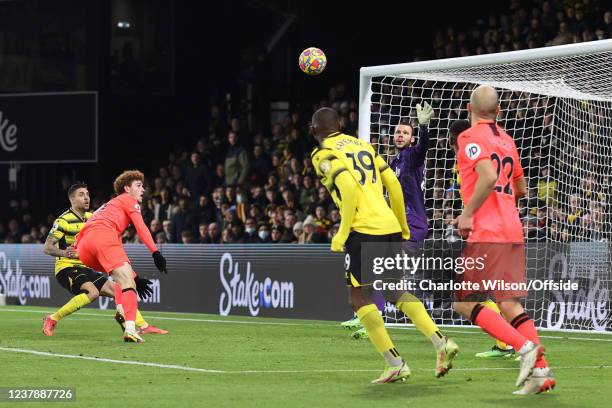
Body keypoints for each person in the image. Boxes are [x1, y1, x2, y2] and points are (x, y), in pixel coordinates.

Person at [310, 107, 458, 383]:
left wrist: (342, 233)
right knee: (393, 290)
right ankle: (442, 342)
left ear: (313, 130)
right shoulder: (363, 145)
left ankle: (395, 363)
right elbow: (393, 182)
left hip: (363, 231)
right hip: (389, 226)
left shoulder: (323, 154)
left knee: (359, 298)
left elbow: (350, 189)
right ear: (340, 124)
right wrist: (401, 224)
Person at [450, 85, 555, 394]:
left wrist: (468, 213)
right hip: (512, 228)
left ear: (469, 111)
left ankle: (525, 348)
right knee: (508, 303)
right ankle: (541, 373)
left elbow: (487, 177)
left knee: (464, 303)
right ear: (498, 112)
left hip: (487, 231)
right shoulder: (508, 140)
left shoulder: (468, 138)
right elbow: (520, 189)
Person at [42, 182, 167, 337]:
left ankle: (141, 325)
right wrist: (64, 252)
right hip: (67, 268)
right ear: (72, 199)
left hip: (87, 267)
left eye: (87, 194)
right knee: (92, 292)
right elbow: (47, 247)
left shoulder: (94, 217)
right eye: (81, 195)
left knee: (121, 288)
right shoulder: (63, 221)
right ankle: (52, 318)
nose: (86, 198)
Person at [74, 171, 168, 343]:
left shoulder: (109, 206)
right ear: (127, 189)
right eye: (138, 186)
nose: (143, 190)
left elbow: (117, 250)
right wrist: (155, 252)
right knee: (127, 283)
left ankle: (121, 309)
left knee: (120, 277)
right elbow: (141, 226)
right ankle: (131, 329)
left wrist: (135, 276)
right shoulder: (127, 199)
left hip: (84, 248)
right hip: (101, 237)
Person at [449, 120, 516, 359]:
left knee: (467, 298)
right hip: (503, 230)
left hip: (487, 234)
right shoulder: (480, 156)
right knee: (499, 296)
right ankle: (515, 343)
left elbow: (488, 184)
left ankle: (515, 343)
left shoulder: (471, 158)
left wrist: (470, 215)